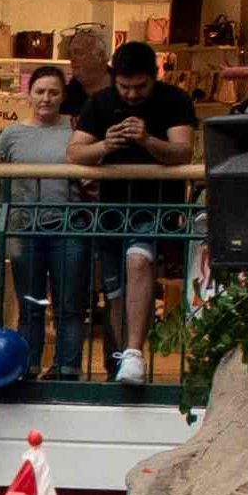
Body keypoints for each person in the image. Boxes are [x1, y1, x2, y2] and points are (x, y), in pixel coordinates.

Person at [72, 37, 201, 384]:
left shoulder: (175, 100)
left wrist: (146, 140)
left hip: (155, 206)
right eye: (124, 86)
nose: (130, 94)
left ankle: (133, 353)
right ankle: (119, 358)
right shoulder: (100, 103)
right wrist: (105, 145)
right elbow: (74, 153)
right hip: (112, 209)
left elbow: (183, 152)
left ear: (155, 77)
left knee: (139, 261)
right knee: (115, 287)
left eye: (139, 87)